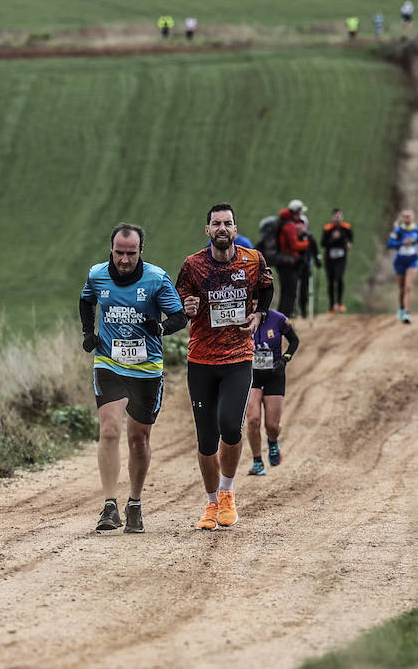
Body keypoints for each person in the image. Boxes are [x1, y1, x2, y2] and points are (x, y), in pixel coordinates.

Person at [80, 223, 187, 533]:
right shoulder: (97, 274)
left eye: (130, 254)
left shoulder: (156, 279)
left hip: (145, 368)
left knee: (138, 440)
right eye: (118, 253)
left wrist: (162, 328)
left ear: (141, 251)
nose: (124, 260)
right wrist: (89, 333)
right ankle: (109, 505)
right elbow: (86, 300)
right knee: (110, 429)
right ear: (110, 250)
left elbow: (179, 316)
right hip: (109, 362)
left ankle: (135, 503)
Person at [177, 204, 275, 530]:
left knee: (230, 425)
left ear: (235, 228)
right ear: (207, 230)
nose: (222, 228)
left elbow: (267, 286)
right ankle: (210, 503)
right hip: (201, 359)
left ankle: (227, 493)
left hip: (238, 358)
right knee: (206, 438)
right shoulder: (192, 266)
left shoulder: (252, 260)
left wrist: (259, 314)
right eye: (216, 223)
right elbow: (180, 302)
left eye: (227, 223)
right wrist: (186, 306)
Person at [246, 308, 299, 476]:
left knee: (272, 425)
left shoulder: (278, 319)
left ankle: (273, 441)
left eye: (257, 301)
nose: (254, 305)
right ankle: (257, 462)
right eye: (251, 301)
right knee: (253, 420)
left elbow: (294, 341)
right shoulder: (243, 317)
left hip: (274, 376)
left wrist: (285, 359)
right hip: (252, 377)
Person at [386, 209, 418, 323]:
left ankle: (407, 312)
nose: (407, 219)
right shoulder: (398, 230)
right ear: (402, 218)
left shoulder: (416, 230)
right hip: (400, 260)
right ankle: (401, 307)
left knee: (409, 287)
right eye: (405, 217)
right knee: (401, 288)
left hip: (413, 260)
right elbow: (390, 244)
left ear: (413, 218)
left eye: (409, 217)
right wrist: (402, 243)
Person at [274, 206, 311, 316]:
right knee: (290, 291)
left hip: (282, 262)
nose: (301, 216)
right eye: (300, 214)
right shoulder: (289, 226)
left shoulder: (283, 224)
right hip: (288, 263)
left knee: (285, 291)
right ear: (294, 215)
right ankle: (286, 317)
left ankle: (281, 316)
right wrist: (307, 243)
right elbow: (294, 245)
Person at [289, 199, 319, 318]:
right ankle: (294, 309)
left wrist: (318, 259)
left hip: (306, 264)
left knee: (304, 289)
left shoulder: (308, 234)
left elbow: (315, 250)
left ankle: (303, 310)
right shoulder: (291, 226)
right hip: (294, 263)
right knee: (294, 287)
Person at [320, 208, 353, 313]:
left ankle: (340, 303)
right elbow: (323, 243)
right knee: (330, 280)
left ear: (342, 217)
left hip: (341, 258)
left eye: (339, 216)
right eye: (336, 216)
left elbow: (350, 240)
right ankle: (331, 306)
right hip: (329, 258)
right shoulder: (327, 228)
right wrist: (333, 239)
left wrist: (347, 243)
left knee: (339, 278)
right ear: (332, 217)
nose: (338, 218)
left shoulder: (347, 228)